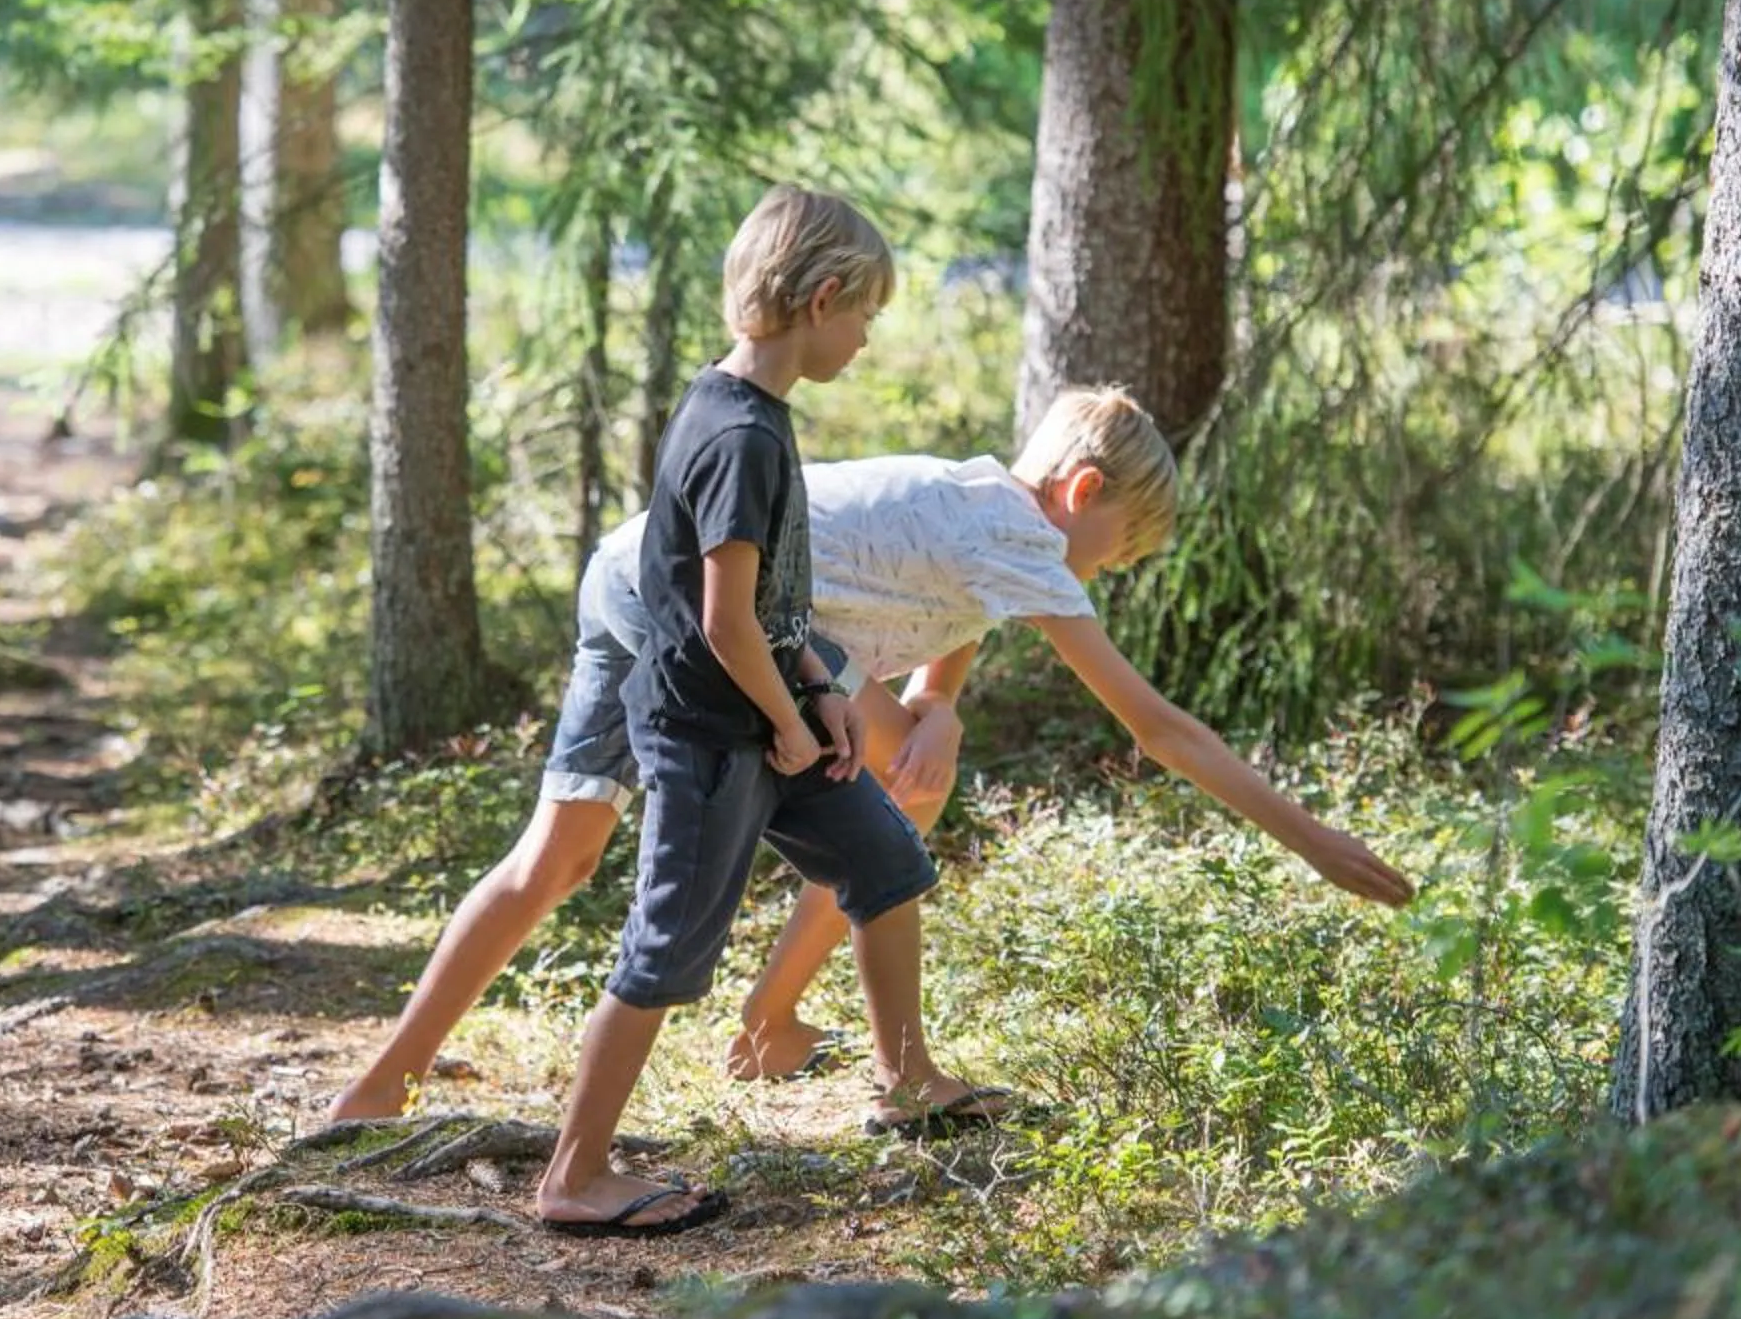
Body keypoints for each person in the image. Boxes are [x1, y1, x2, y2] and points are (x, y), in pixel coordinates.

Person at [333, 386, 1417, 1133]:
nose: (1108, 571)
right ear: (1083, 492)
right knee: (893, 803)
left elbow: (948, 604)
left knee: (559, 857)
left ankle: (382, 1086)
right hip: (708, 615)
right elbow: (1158, 729)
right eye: (1121, 547)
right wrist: (1313, 839)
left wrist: (937, 701)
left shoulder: (981, 499)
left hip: (635, 570)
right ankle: (805, 1039)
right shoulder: (1021, 536)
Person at [534, 183, 962, 1236]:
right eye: (865, 315)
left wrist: (818, 688)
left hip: (772, 717)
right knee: (665, 950)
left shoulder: (752, 413)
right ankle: (574, 1176)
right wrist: (789, 721)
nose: (865, 338)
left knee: (886, 861)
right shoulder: (738, 436)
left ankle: (909, 1081)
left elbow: (767, 607)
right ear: (822, 299)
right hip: (709, 736)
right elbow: (722, 621)